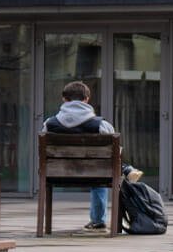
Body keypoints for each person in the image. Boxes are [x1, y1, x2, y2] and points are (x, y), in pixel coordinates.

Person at [44, 80, 119, 231]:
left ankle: (45, 225)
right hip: (96, 174)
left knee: (100, 169)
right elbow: (114, 151)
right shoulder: (102, 126)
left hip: (57, 173)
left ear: (64, 99)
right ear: (86, 99)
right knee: (102, 170)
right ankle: (98, 220)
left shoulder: (49, 124)